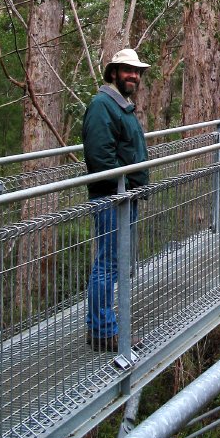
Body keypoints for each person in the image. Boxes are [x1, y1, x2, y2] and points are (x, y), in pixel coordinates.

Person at [84, 48, 150, 352]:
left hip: (124, 196)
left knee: (116, 263)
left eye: (136, 71)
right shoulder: (102, 105)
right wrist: (126, 183)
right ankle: (102, 331)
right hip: (111, 198)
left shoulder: (120, 105)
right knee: (108, 265)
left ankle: (106, 326)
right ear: (113, 72)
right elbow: (100, 157)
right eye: (127, 70)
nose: (133, 75)